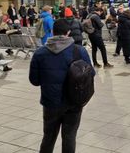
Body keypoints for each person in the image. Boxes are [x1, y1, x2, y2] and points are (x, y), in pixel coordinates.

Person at [29, 19, 94, 153]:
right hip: (73, 102)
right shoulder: (79, 51)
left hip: (50, 103)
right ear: (68, 32)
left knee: (48, 137)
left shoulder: (40, 53)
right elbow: (91, 73)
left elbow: (34, 81)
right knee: (69, 137)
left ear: (52, 32)